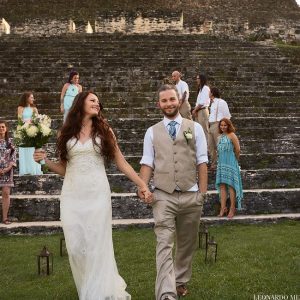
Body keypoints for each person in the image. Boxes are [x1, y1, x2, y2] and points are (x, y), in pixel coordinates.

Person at [34, 91, 152, 300]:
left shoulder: (105, 130)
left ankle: (97, 293)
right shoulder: (65, 132)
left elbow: (121, 162)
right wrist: (44, 162)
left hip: (97, 193)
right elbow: (64, 169)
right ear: (80, 104)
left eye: (98, 101)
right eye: (92, 100)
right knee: (76, 246)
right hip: (72, 194)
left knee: (97, 243)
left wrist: (142, 183)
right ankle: (88, 286)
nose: (97, 104)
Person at [138, 85, 208, 300]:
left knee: (187, 244)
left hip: (191, 194)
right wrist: (143, 186)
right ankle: (167, 293)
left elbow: (202, 160)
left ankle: (180, 281)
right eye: (164, 100)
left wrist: (202, 194)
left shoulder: (194, 128)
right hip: (163, 195)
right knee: (164, 244)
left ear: (179, 100)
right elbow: (147, 162)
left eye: (171, 99)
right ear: (158, 104)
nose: (168, 103)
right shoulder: (152, 131)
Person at [216, 118, 243, 218]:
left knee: (231, 186)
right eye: (221, 125)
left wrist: (235, 160)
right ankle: (223, 208)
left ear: (228, 126)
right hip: (221, 163)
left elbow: (238, 149)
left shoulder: (232, 135)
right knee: (222, 186)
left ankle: (232, 208)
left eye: (225, 125)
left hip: (231, 163)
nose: (223, 127)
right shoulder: (219, 137)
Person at [17, 91, 42, 175]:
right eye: (31, 97)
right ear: (26, 98)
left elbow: (38, 120)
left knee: (32, 150)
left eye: (33, 97)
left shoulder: (34, 109)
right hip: (24, 131)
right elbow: (20, 120)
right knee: (25, 150)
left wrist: (34, 125)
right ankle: (26, 170)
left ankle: (33, 169)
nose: (33, 99)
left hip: (33, 131)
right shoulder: (20, 108)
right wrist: (27, 123)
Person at [208, 87, 231, 170]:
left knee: (220, 145)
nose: (208, 93)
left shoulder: (222, 102)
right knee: (210, 146)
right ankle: (214, 163)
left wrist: (223, 127)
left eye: (209, 92)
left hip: (218, 124)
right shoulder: (212, 103)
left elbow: (227, 116)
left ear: (212, 93)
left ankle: (223, 163)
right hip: (211, 125)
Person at [0, 120, 16, 224]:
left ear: (6, 129)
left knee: (6, 194)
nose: (1, 129)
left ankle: (5, 218)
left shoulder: (10, 142)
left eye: (2, 127)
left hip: (7, 171)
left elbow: (13, 157)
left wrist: (7, 168)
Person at [192, 74, 210, 141]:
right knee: (199, 130)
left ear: (201, 79)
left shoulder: (205, 88)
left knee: (205, 129)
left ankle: (208, 147)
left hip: (202, 111)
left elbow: (202, 103)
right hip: (199, 111)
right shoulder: (201, 89)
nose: (196, 80)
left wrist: (194, 110)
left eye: (198, 78)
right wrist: (196, 110)